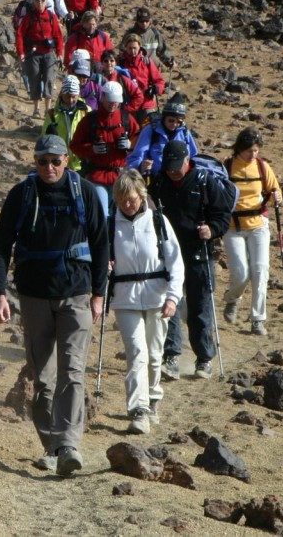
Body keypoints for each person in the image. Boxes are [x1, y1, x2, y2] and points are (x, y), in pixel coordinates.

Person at [0, 134, 109, 477]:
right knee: (42, 379)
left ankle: (69, 445)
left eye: (56, 161)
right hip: (33, 297)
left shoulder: (84, 192)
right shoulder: (22, 195)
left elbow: (101, 244)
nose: (49, 167)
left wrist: (99, 294)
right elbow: (0, 246)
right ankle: (52, 447)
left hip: (76, 294)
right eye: (42, 161)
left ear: (66, 160)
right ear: (35, 161)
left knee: (72, 371)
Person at [108, 169, 184, 434]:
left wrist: (173, 298)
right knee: (137, 352)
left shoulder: (159, 222)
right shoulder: (110, 225)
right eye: (121, 200)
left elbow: (176, 263)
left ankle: (153, 400)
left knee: (154, 355)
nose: (127, 205)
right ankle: (138, 410)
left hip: (157, 296)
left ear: (141, 195)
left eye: (131, 198)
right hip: (125, 298)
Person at [148, 141, 232, 380]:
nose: (173, 171)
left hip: (198, 252)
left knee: (199, 306)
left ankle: (204, 358)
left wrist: (213, 229)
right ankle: (171, 355)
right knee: (170, 304)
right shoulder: (160, 182)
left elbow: (223, 214)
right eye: (169, 166)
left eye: (177, 166)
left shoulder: (206, 182)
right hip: (168, 253)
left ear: (188, 161)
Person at [221, 128, 283, 336]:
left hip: (258, 225)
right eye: (249, 151)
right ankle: (232, 299)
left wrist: (277, 197)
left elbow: (275, 191)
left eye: (256, 150)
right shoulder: (227, 167)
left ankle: (258, 319)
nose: (253, 155)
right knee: (240, 274)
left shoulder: (263, 167)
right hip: (232, 227)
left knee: (260, 270)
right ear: (239, 148)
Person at [69, 81, 140, 216]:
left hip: (121, 177)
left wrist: (130, 145)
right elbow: (75, 146)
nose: (113, 104)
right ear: (102, 97)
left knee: (121, 215)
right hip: (97, 176)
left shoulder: (126, 119)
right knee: (102, 214)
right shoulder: (89, 120)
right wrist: (92, 149)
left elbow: (140, 140)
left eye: (116, 101)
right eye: (111, 100)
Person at [16, 0, 64, 116]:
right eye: (37, 1)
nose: (40, 3)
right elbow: (20, 35)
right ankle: (36, 109)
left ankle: (48, 109)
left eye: (43, 1)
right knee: (34, 79)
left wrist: (59, 52)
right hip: (33, 54)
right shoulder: (29, 17)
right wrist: (20, 52)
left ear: (46, 2)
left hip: (49, 53)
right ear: (33, 2)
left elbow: (58, 35)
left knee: (49, 78)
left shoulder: (51, 17)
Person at [126, 93, 199, 175]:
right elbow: (136, 157)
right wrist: (141, 166)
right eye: (171, 120)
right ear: (164, 118)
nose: (175, 124)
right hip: (155, 179)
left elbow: (194, 157)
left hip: (179, 180)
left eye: (179, 122)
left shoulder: (185, 133)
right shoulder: (151, 130)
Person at [72, 49, 143, 116]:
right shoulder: (96, 78)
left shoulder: (122, 79)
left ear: (116, 63)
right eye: (106, 61)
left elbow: (139, 96)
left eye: (112, 60)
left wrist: (125, 109)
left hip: (118, 115)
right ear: (102, 63)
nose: (109, 63)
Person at [43, 75, 89, 172]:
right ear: (61, 94)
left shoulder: (87, 112)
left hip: (81, 164)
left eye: (73, 96)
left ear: (78, 95)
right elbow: (44, 140)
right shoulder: (52, 114)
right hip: (59, 164)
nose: (71, 100)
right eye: (67, 96)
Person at [120, 33, 165, 127]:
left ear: (139, 47)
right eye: (130, 48)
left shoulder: (147, 62)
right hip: (129, 104)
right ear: (125, 48)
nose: (132, 51)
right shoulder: (121, 62)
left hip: (146, 103)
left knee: (148, 130)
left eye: (135, 48)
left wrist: (156, 88)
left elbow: (159, 80)